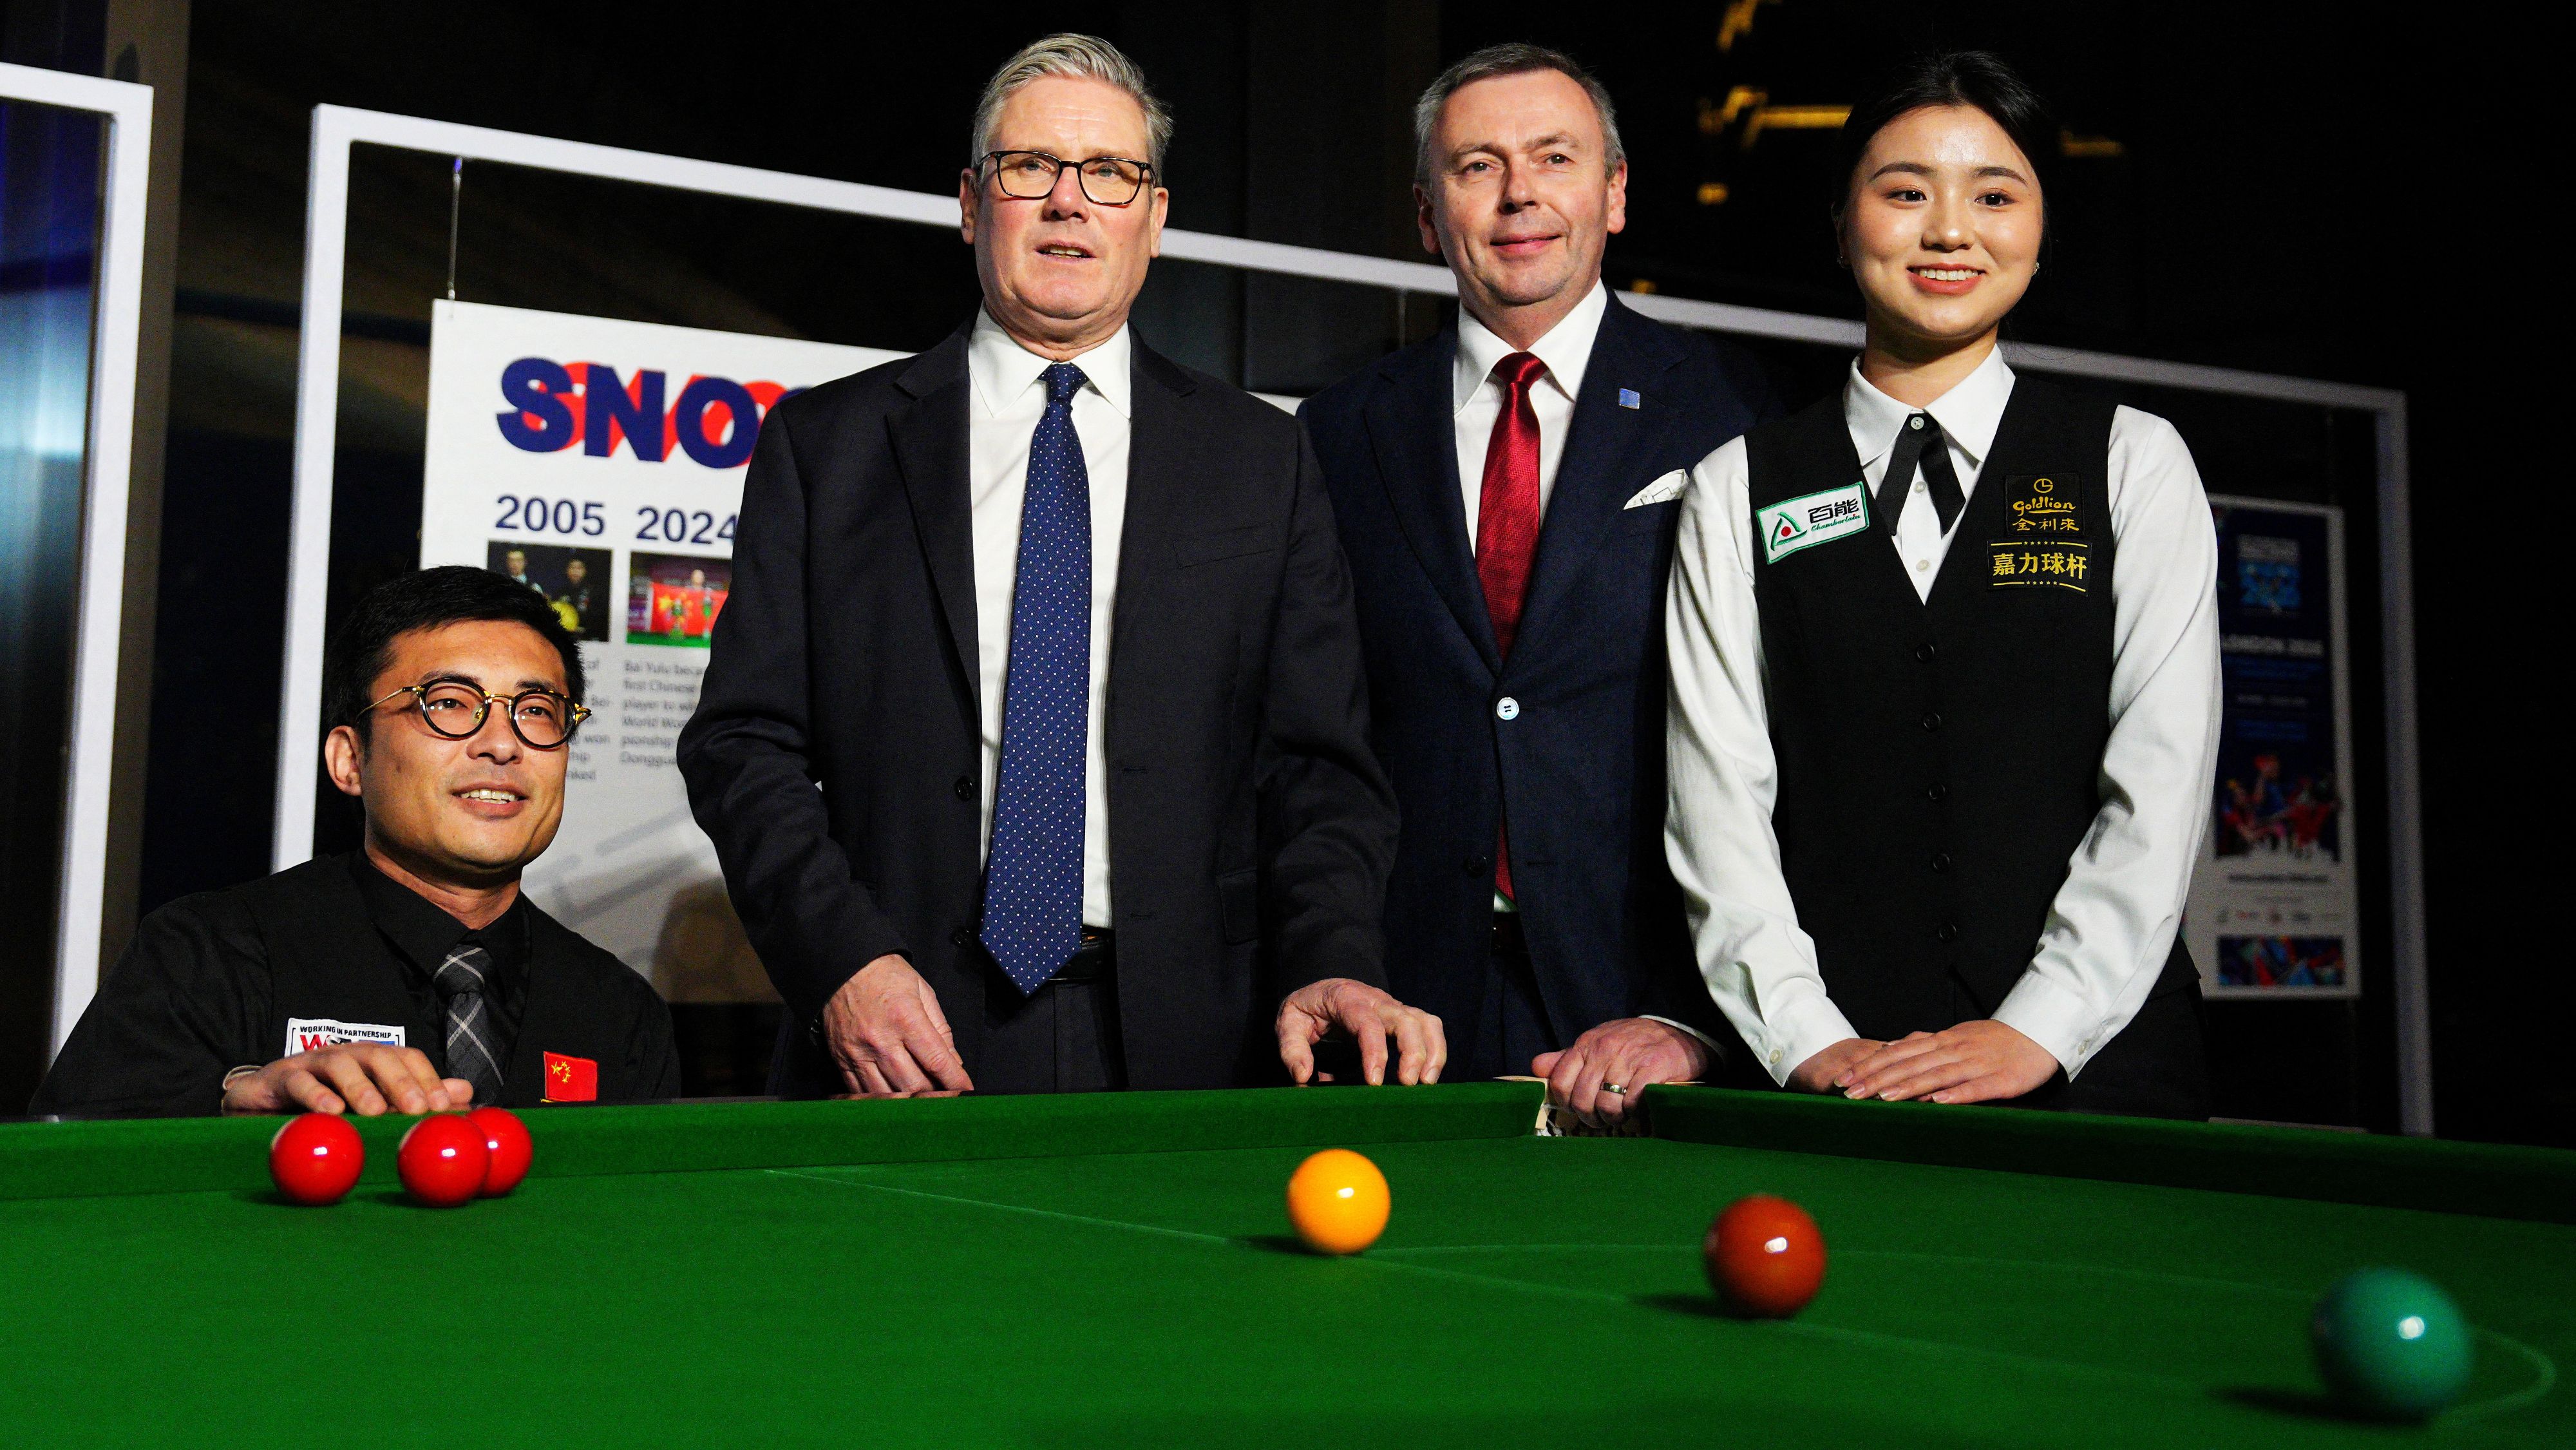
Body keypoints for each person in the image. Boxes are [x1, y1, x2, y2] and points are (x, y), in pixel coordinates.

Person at [679, 34, 1441, 1098]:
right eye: (1029, 167)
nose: (1068, 202)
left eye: (1111, 173)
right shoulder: (828, 447)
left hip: (1193, 1044)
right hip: (901, 1036)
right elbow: (741, 745)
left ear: (1155, 218)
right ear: (970, 203)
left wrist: (1334, 959)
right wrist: (842, 962)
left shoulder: (1263, 459)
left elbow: (1320, 772)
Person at [1663, 50, 2221, 1120]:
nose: (1951, 230)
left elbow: (2160, 786)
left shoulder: (2133, 461)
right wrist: (1807, 1039)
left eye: (1995, 196)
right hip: (1844, 1074)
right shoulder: (1738, 486)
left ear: (2043, 232)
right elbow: (1716, 807)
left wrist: (2039, 1027)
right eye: (1906, 192)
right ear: (1842, 226)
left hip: (2101, 1071)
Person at [1300, 44, 1774, 1119]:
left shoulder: (1737, 411)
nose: (1519, 193)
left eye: (1555, 158)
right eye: (1477, 166)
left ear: (1615, 193)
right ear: (1428, 216)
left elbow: (1793, 740)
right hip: (1403, 1009)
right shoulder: (1336, 431)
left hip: (1648, 1009)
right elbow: (1314, 733)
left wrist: (1691, 1018)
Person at [34, 568, 681, 1116]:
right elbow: (66, 1178)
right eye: (449, 703)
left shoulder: (619, 1012)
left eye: (536, 711)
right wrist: (231, 1107)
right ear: (349, 759)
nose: (501, 743)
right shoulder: (210, 955)